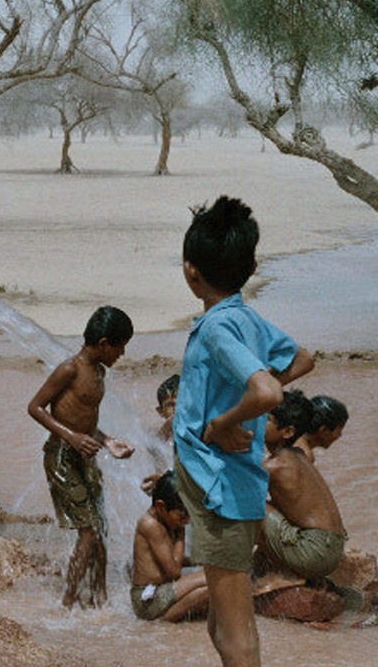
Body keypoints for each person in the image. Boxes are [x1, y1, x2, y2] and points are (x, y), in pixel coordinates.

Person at [171, 196, 315, 667]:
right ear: (252, 267)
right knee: (221, 623)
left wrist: (223, 422)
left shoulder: (217, 330)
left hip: (223, 493)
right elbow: (301, 359)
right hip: (233, 489)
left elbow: (268, 393)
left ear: (190, 271)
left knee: (234, 632)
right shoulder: (246, 318)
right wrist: (242, 406)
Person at [27, 305, 136, 608]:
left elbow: (83, 417)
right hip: (61, 456)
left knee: (100, 527)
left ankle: (99, 596)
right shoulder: (69, 369)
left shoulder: (99, 371)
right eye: (120, 347)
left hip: (85, 455)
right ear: (103, 344)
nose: (122, 354)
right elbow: (35, 407)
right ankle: (67, 602)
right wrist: (71, 437)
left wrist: (108, 440)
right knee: (87, 532)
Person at [258, 391, 347, 582]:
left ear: (288, 431)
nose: (257, 422)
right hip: (331, 550)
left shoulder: (275, 466)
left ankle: (285, 574)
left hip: (314, 552)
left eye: (266, 419)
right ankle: (268, 567)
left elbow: (238, 493)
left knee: (248, 505)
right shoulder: (298, 454)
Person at [131, 470, 209, 622]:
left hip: (161, 591)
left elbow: (170, 560)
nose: (186, 521)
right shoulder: (150, 525)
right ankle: (162, 620)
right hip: (147, 600)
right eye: (182, 516)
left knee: (212, 583)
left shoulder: (163, 519)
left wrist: (203, 559)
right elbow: (174, 571)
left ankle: (170, 615)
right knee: (213, 579)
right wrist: (181, 535)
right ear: (160, 506)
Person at [141, 373, 180, 494]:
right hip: (168, 491)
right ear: (160, 411)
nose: (176, 408)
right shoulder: (159, 433)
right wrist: (169, 424)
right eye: (170, 405)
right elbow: (153, 446)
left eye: (181, 402)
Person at [294, 394, 348, 462]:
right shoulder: (305, 456)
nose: (340, 435)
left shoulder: (288, 435)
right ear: (324, 431)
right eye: (339, 430)